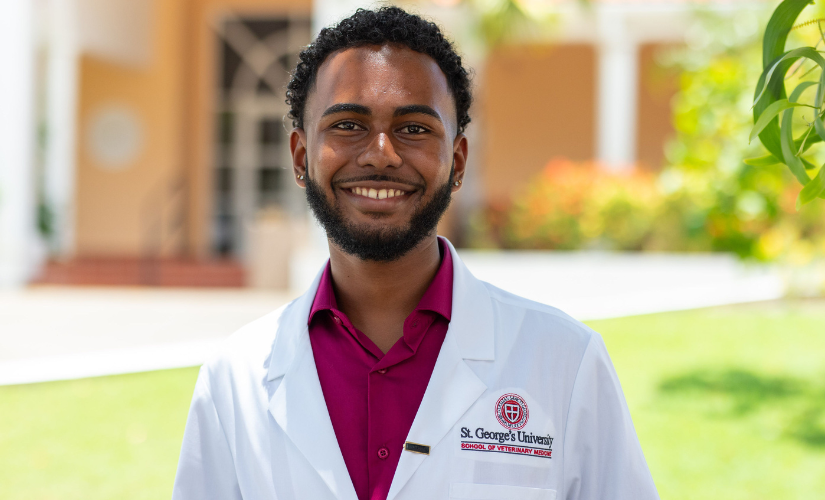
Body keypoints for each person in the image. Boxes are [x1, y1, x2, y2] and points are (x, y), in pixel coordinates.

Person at [172, 7, 659, 500]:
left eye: (415, 129)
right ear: (301, 157)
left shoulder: (563, 361)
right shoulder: (233, 378)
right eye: (347, 125)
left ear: (458, 160)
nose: (381, 152)